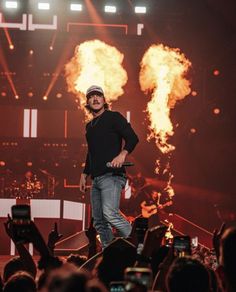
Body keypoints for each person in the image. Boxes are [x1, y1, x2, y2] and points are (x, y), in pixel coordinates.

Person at [79, 85, 139, 249]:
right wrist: (85, 174)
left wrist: (122, 154)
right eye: (92, 96)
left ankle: (141, 248)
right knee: (99, 221)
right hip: (96, 179)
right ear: (88, 102)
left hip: (112, 176)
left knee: (110, 213)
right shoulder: (89, 127)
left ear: (104, 100)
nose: (96, 99)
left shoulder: (114, 117)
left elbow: (133, 138)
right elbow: (91, 152)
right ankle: (109, 254)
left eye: (99, 96)